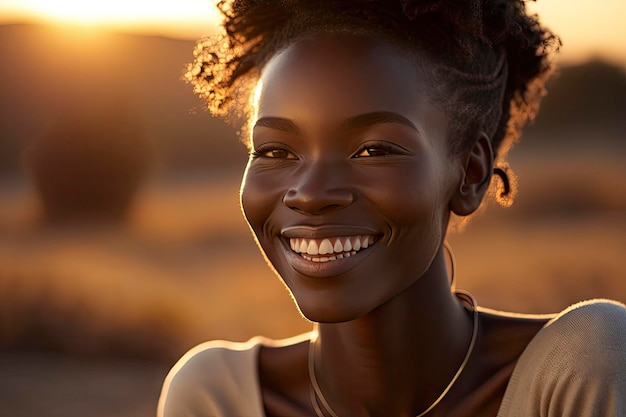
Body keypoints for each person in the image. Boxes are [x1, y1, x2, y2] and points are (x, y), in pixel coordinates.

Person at [158, 1, 626, 416]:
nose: (311, 193)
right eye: (276, 152)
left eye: (374, 149)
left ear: (471, 174)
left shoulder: (582, 366)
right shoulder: (215, 398)